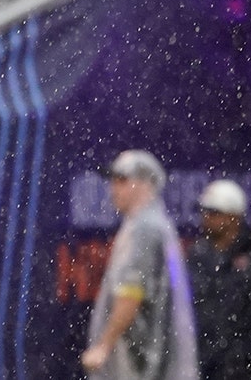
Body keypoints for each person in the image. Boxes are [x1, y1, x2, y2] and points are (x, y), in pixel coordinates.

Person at [82, 149, 198, 380]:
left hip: (142, 363)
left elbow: (131, 294)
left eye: (122, 180)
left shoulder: (145, 229)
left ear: (146, 184)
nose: (113, 188)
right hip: (155, 359)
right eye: (113, 180)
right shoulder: (155, 225)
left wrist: (104, 346)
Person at [187, 179, 251, 380]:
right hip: (206, 363)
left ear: (233, 217)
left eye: (213, 213)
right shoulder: (197, 255)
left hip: (249, 366)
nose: (205, 218)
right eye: (204, 212)